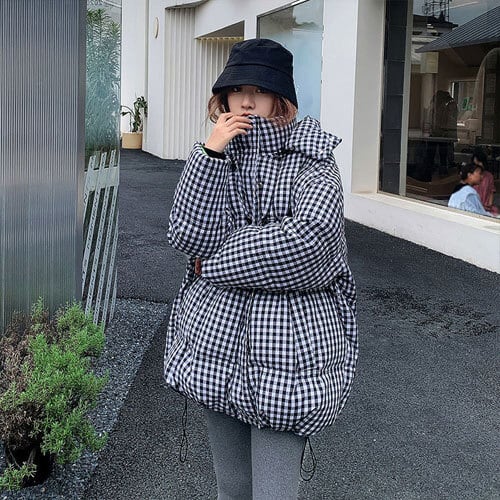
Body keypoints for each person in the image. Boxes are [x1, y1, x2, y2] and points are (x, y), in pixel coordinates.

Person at [163, 38, 358, 499]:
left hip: (287, 359)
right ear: (223, 96)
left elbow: (308, 247)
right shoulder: (216, 157)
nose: (247, 101)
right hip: (214, 345)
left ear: (281, 98)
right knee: (231, 489)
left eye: (260, 89)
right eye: (237, 89)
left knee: (273, 494)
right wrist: (209, 156)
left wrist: (212, 262)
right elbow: (186, 236)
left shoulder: (312, 160)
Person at [471, 148, 499, 216]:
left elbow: (491, 191)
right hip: (473, 206)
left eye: (479, 163)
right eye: (475, 164)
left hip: (486, 206)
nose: (477, 166)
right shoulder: (470, 176)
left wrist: (489, 204)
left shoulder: (489, 176)